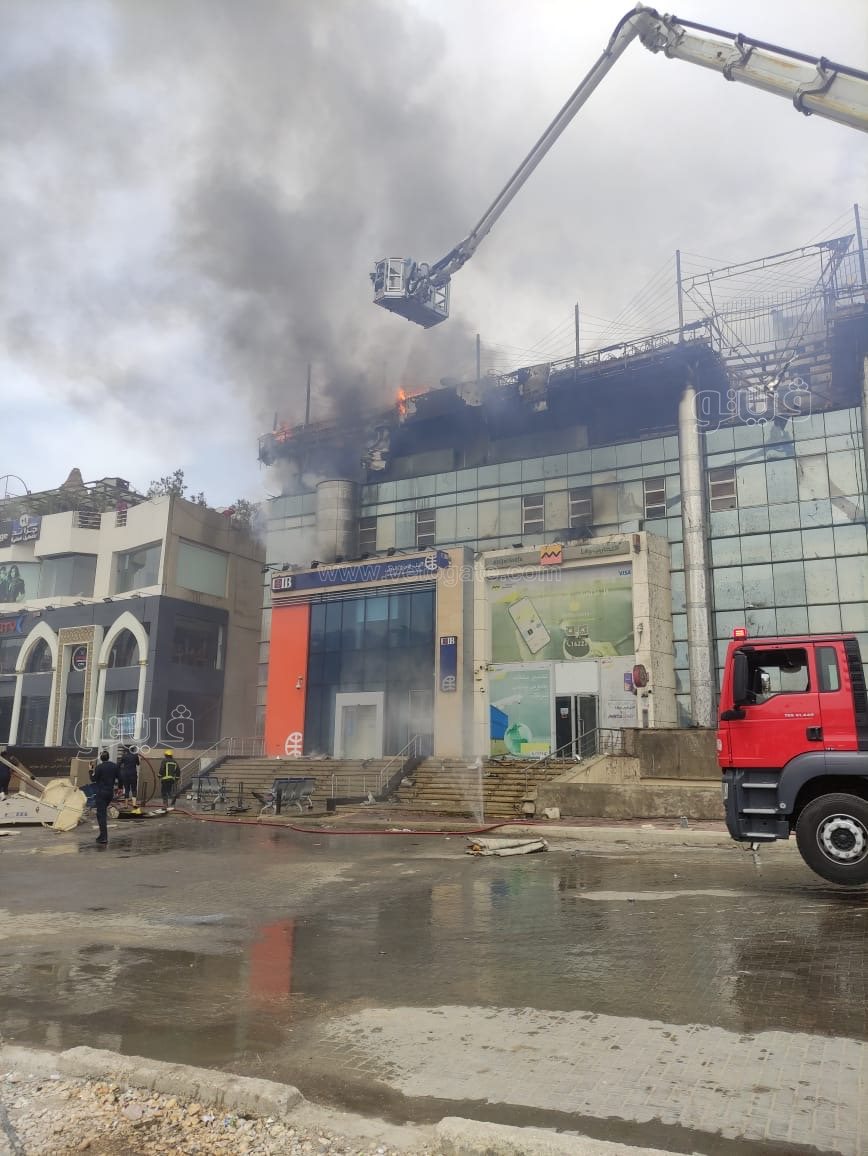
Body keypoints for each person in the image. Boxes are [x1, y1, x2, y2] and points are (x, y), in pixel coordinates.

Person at [91, 750, 121, 845]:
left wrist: (90, 770)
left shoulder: (99, 767)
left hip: (101, 793)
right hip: (109, 793)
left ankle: (103, 837)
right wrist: (120, 787)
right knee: (102, 813)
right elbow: (120, 777)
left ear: (101, 758)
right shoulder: (114, 766)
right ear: (108, 757)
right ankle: (102, 835)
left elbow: (93, 779)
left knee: (101, 814)